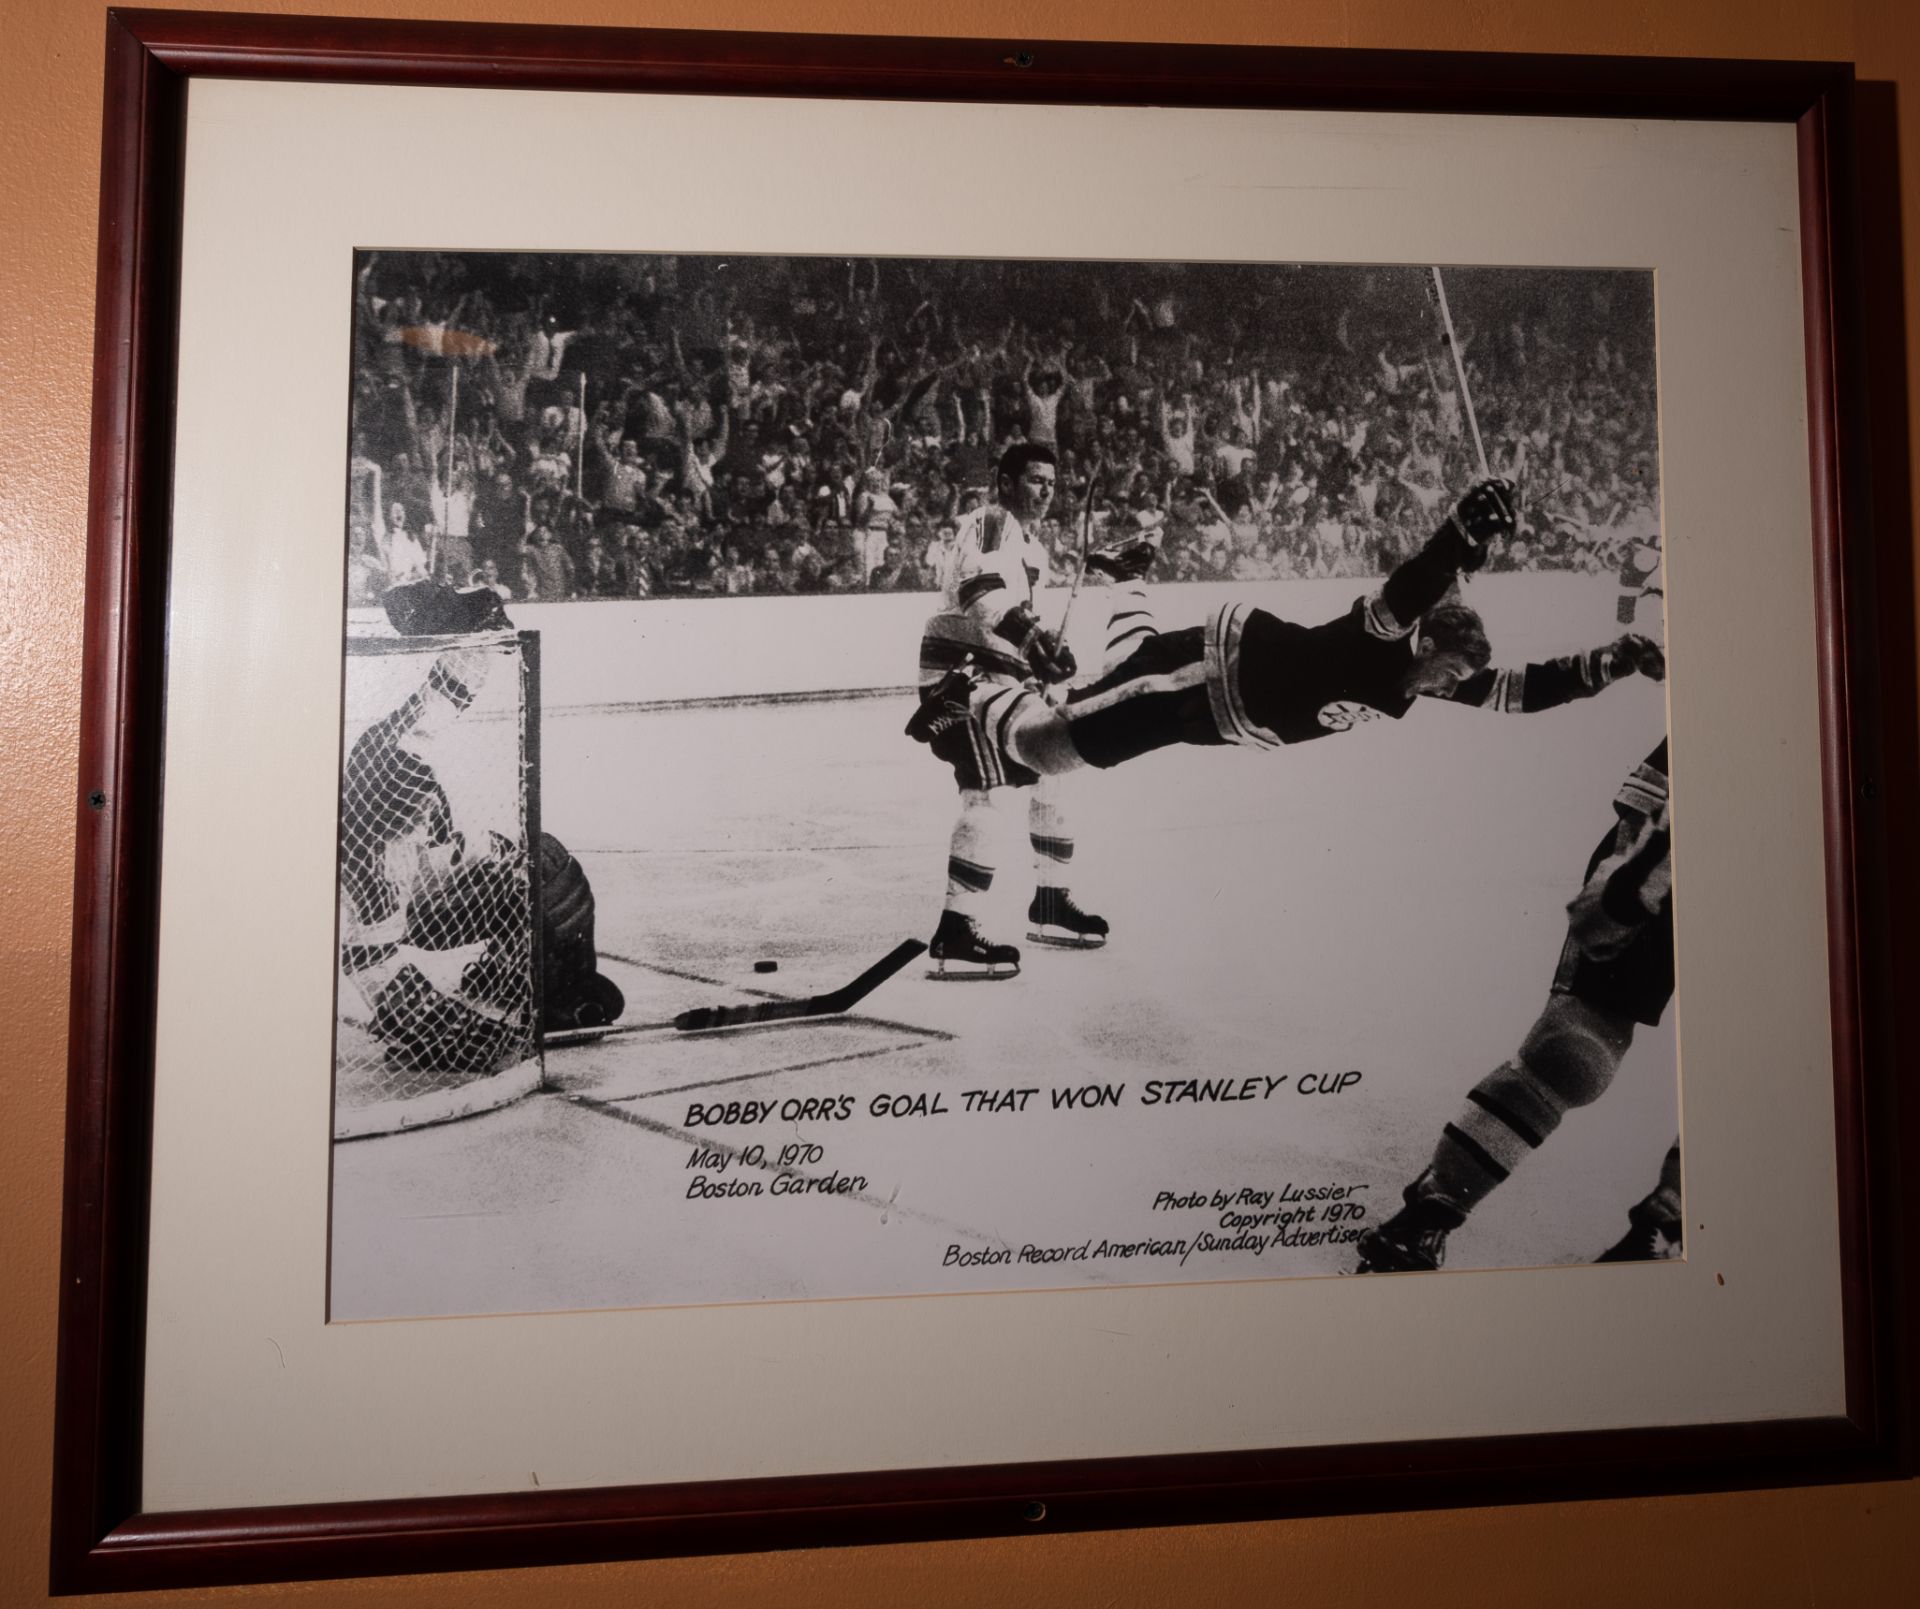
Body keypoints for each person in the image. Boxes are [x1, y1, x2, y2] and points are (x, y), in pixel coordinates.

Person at [908, 479, 1666, 782]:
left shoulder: (1419, 687)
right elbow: (1410, 584)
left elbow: (1519, 694)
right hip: (1208, 678)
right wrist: (1461, 540)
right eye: (1448, 672)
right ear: (1427, 645)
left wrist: (1610, 663)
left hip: (1216, 716)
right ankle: (972, 687)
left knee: (1129, 657)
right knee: (1042, 750)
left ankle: (1124, 572)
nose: (1452, 689)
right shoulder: (1389, 639)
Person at [1355, 741, 1678, 1271]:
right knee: (1575, 1052)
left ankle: (1669, 1230)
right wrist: (1632, 881)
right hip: (1694, 829)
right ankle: (1435, 1209)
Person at [914, 441, 1105, 978]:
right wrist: (1034, 637)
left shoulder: (1032, 548)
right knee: (988, 796)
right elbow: (979, 592)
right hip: (960, 679)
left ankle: (1049, 903)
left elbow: (1019, 626)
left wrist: (1043, 659)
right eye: (1034, 480)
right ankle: (955, 932)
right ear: (1004, 482)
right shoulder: (990, 521)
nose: (1045, 490)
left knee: (1053, 774)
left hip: (995, 677)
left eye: (1051, 481)